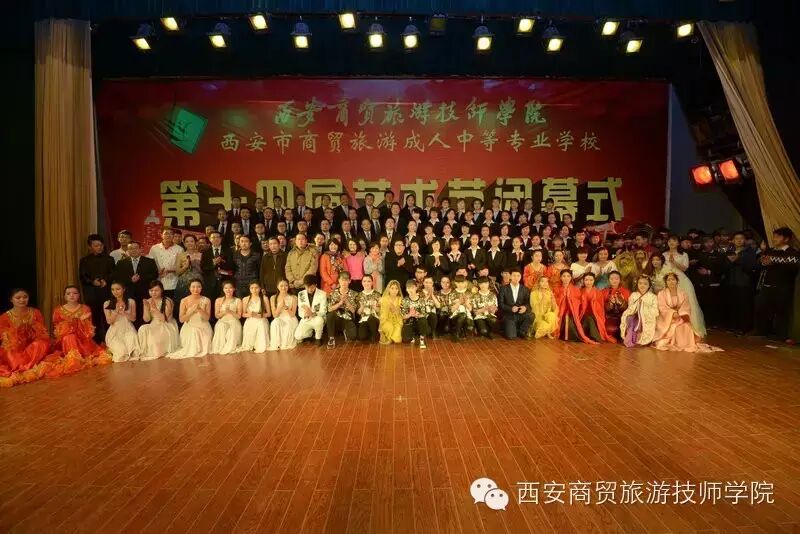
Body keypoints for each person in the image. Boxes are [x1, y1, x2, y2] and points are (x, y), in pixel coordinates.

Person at [653, 273, 723, 353]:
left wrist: (680, 314)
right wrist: (672, 313)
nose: (671, 282)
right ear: (666, 282)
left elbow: (686, 306)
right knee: (675, 328)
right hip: (667, 319)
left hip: (680, 317)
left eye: (673, 279)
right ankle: (673, 342)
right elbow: (662, 307)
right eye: (669, 280)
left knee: (686, 327)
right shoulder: (661, 294)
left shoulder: (683, 293)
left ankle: (685, 344)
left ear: (677, 281)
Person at [0, 288, 53, 387]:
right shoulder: (4, 317)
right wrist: (17, 335)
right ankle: (25, 368)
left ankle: (27, 367)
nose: (22, 300)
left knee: (41, 344)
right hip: (16, 347)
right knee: (9, 353)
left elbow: (42, 332)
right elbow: (5, 338)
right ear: (11, 300)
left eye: (25, 297)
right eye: (18, 298)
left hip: (32, 346)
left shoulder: (36, 312)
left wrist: (31, 330)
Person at [755, 227, 799, 342]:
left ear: (786, 239)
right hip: (767, 286)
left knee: (781, 312)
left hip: (783, 287)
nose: (774, 239)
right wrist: (763, 260)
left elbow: (793, 265)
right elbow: (760, 262)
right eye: (774, 236)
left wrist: (773, 260)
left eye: (778, 236)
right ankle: (762, 333)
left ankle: (781, 336)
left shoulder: (792, 252)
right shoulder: (770, 250)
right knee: (762, 309)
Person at [51, 285, 111, 369]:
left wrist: (77, 323)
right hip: (65, 341)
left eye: (75, 293)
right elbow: (59, 331)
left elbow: (88, 331)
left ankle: (77, 361)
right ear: (64, 296)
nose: (72, 295)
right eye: (68, 293)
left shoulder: (85, 308)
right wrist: (78, 320)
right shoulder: (58, 311)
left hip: (82, 339)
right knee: (69, 337)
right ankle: (73, 361)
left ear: (79, 295)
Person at [663, 235, 708, 337]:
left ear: (678, 243)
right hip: (667, 280)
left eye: (674, 241)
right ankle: (670, 330)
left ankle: (688, 329)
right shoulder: (663, 254)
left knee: (686, 303)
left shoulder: (684, 254)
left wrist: (674, 262)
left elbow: (685, 268)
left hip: (681, 280)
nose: (671, 243)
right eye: (669, 241)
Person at [112, 240, 158, 325]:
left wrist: (140, 278)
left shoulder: (149, 261)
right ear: (128, 250)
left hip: (144, 292)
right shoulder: (121, 263)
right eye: (131, 248)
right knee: (130, 315)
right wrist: (130, 280)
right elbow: (118, 278)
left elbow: (154, 275)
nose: (133, 250)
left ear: (141, 249)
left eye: (136, 248)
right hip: (128, 293)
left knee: (144, 314)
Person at [79, 234, 115, 341]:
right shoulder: (84, 260)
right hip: (91, 293)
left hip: (106, 292)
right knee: (93, 318)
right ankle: (95, 341)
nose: (99, 247)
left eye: (100, 245)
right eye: (96, 245)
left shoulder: (109, 259)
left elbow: (113, 274)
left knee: (107, 317)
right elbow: (82, 276)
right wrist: (92, 282)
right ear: (90, 247)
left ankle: (109, 340)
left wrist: (106, 280)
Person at [167, 279, 213, 359]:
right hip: (189, 327)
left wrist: (199, 309)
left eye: (198, 287)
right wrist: (191, 311)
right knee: (194, 332)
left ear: (201, 288)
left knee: (198, 333)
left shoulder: (206, 300)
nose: (196, 289)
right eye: (193, 287)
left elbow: (207, 318)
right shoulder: (184, 300)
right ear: (189, 288)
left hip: (204, 327)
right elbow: (181, 319)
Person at [724, 231, 757, 334]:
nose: (739, 240)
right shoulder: (729, 251)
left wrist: (737, 260)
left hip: (745, 282)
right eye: (736, 238)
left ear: (745, 240)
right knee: (733, 305)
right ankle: (734, 326)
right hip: (731, 282)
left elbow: (752, 266)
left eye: (741, 238)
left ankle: (744, 328)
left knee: (744, 306)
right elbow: (724, 266)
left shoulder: (749, 251)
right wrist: (730, 262)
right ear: (733, 240)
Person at [137, 280, 180, 360]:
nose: (154, 293)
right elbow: (146, 319)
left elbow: (164, 319)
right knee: (142, 329)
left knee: (156, 340)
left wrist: (155, 309)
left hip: (167, 324)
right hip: (154, 324)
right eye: (151, 290)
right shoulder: (148, 301)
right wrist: (146, 307)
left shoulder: (167, 301)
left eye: (156, 290)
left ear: (161, 290)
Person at [553, 270, 596, 344]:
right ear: (560, 277)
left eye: (568, 276)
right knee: (564, 321)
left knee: (570, 323)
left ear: (571, 278)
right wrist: (563, 297)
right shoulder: (557, 289)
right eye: (564, 276)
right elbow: (554, 302)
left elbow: (579, 303)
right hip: (560, 313)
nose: (566, 278)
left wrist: (570, 299)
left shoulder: (576, 289)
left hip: (572, 313)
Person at [103, 282, 140, 362]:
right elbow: (109, 321)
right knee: (121, 353)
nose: (115, 292)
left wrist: (124, 313)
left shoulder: (131, 301)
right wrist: (116, 311)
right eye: (112, 289)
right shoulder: (107, 303)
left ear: (124, 289)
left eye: (118, 289)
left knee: (134, 352)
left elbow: (133, 319)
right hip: (114, 331)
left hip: (128, 329)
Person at [619, 276, 659, 347]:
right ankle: (630, 339)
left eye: (645, 284)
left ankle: (641, 339)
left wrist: (644, 307)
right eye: (640, 283)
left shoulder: (653, 297)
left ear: (649, 285)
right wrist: (637, 305)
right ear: (637, 284)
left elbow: (655, 311)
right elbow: (630, 307)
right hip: (634, 316)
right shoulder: (633, 295)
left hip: (646, 317)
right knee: (629, 318)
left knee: (641, 322)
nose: (642, 285)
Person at [579, 272, 616, 343]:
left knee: (590, 318)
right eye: (586, 280)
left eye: (591, 280)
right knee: (588, 318)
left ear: (594, 281)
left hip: (595, 315)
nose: (588, 282)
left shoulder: (598, 292)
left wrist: (594, 303)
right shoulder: (580, 291)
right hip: (583, 316)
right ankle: (596, 338)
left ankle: (594, 336)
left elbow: (601, 307)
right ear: (583, 280)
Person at [325, 272, 358, 348]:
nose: (344, 282)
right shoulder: (333, 293)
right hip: (336, 317)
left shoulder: (354, 293)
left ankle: (345, 330)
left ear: (349, 281)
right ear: (339, 281)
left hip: (347, 317)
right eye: (342, 280)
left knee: (353, 336)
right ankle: (331, 338)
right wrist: (340, 303)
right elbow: (329, 309)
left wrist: (346, 301)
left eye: (346, 280)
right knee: (330, 315)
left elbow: (353, 310)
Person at [498, 269, 532, 340]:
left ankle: (522, 331)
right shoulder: (503, 289)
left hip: (521, 314)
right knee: (511, 336)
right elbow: (500, 304)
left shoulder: (525, 289)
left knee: (531, 315)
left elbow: (528, 303)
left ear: (521, 277)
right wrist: (510, 309)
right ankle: (509, 328)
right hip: (509, 315)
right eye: (514, 276)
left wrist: (525, 307)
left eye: (518, 276)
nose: (516, 278)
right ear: (510, 276)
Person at [148, 228, 182, 299]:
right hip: (158, 282)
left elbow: (181, 266)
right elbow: (149, 265)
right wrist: (157, 272)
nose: (168, 235)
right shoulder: (154, 248)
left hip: (174, 283)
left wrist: (170, 270)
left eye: (171, 234)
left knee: (172, 303)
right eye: (166, 233)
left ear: (173, 236)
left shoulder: (179, 249)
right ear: (161, 235)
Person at [212, 280, 243, 354]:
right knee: (221, 326)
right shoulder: (218, 300)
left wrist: (230, 311)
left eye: (230, 288)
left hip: (234, 321)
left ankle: (230, 346)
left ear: (234, 289)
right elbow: (217, 316)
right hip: (222, 321)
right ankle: (221, 346)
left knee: (233, 329)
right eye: (226, 288)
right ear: (223, 289)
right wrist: (224, 312)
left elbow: (239, 316)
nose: (228, 290)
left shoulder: (238, 300)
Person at [295, 275, 327, 345]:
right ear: (304, 285)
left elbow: (323, 311)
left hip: (317, 317)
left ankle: (318, 338)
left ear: (316, 285)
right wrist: (305, 315)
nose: (310, 289)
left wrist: (312, 314)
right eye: (307, 287)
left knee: (319, 320)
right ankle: (310, 334)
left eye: (312, 287)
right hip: (306, 318)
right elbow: (300, 309)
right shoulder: (301, 294)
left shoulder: (322, 294)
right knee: (298, 336)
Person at [240, 281, 271, 353]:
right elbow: (243, 314)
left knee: (261, 324)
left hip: (261, 319)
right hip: (250, 319)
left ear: (260, 288)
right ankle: (251, 344)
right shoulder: (245, 299)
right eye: (252, 288)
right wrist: (250, 315)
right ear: (249, 289)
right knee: (250, 324)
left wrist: (260, 315)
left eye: (256, 288)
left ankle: (260, 344)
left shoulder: (264, 298)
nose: (254, 290)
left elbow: (269, 314)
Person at [268, 280, 299, 351]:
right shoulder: (273, 298)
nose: (283, 288)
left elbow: (292, 314)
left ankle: (285, 343)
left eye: (286, 286)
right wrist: (279, 307)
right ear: (277, 287)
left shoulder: (293, 297)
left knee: (288, 325)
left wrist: (286, 307)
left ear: (288, 286)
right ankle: (276, 343)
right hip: (279, 317)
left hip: (290, 318)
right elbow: (275, 316)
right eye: (281, 286)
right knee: (274, 323)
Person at [201, 231, 233, 299]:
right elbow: (203, 267)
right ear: (210, 239)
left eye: (218, 237)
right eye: (213, 237)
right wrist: (213, 263)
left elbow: (232, 265)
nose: (216, 239)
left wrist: (222, 262)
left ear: (221, 239)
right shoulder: (205, 252)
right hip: (210, 282)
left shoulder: (228, 251)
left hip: (225, 281)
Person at [602, 272, 630, 341]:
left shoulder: (626, 291)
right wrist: (611, 303)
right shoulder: (604, 291)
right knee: (609, 329)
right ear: (609, 280)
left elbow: (629, 309)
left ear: (620, 280)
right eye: (612, 279)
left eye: (616, 279)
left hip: (622, 316)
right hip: (609, 317)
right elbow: (602, 308)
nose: (614, 281)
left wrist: (621, 303)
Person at [401, 280, 430, 348]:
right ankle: (414, 335)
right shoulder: (404, 300)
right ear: (406, 289)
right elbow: (402, 316)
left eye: (412, 288)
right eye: (408, 288)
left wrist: (417, 314)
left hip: (419, 321)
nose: (410, 290)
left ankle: (422, 339)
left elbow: (425, 314)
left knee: (423, 320)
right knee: (406, 339)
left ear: (416, 288)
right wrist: (410, 314)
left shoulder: (421, 300)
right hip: (410, 322)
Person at [449, 275, 474, 341]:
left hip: (467, 317)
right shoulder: (452, 293)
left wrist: (466, 302)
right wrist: (459, 302)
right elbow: (452, 310)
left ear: (465, 282)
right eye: (458, 283)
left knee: (464, 315)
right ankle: (457, 334)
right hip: (455, 316)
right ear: (455, 283)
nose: (460, 284)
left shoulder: (469, 293)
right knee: (462, 315)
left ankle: (458, 332)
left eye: (462, 282)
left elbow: (470, 309)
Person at [357, 275, 381, 342]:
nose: (366, 283)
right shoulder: (359, 295)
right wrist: (362, 307)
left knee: (371, 318)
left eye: (368, 281)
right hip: (364, 319)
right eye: (364, 281)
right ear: (362, 282)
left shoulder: (377, 294)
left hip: (374, 318)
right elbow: (358, 312)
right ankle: (370, 333)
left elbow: (380, 311)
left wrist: (374, 307)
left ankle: (374, 334)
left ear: (372, 283)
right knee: (362, 337)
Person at [378, 280, 403, 344]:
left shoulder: (400, 299)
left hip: (397, 320)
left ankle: (390, 337)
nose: (394, 290)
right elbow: (382, 313)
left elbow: (400, 312)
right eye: (392, 288)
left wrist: (394, 309)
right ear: (388, 289)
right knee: (390, 327)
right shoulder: (384, 299)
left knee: (397, 340)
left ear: (398, 290)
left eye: (396, 288)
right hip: (386, 319)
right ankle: (387, 337)